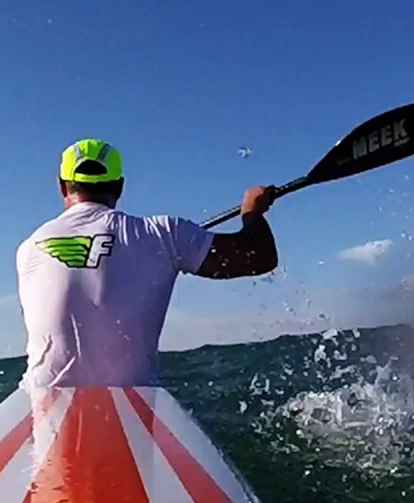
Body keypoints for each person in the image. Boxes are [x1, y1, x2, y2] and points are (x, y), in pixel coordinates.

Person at [15, 138, 278, 388]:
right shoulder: (163, 234)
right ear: (120, 186)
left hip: (40, 397)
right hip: (134, 398)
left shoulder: (28, 248)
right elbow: (260, 255)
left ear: (62, 186)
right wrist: (251, 211)